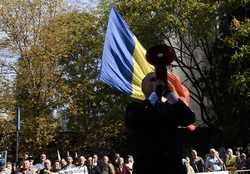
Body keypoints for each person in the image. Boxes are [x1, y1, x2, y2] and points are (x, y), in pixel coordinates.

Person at [125, 45, 196, 174]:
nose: (155, 82)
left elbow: (189, 118)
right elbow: (134, 121)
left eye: (158, 79)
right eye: (151, 79)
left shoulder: (171, 108)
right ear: (143, 87)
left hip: (172, 168)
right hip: (147, 168)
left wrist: (170, 94)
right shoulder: (134, 108)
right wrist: (154, 96)